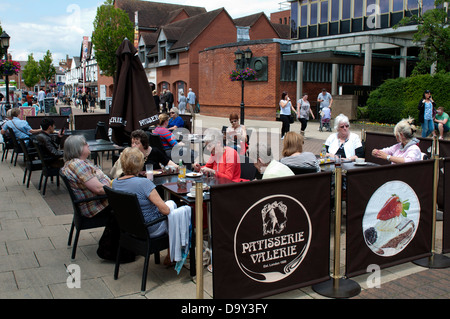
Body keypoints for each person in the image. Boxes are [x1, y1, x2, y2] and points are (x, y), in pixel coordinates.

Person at [111, 147, 170, 238]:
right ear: (140, 164)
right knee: (177, 214)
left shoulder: (115, 183)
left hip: (130, 228)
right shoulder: (144, 183)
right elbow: (165, 210)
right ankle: (177, 250)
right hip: (150, 228)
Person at [60, 135, 112, 218]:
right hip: (96, 207)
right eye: (85, 144)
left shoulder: (77, 163)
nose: (88, 145)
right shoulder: (78, 165)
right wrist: (117, 187)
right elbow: (99, 189)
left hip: (97, 202)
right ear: (77, 148)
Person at [110, 129, 177, 178]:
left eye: (137, 143)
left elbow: (167, 162)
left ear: (144, 144)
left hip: (156, 180)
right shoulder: (130, 154)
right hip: (138, 182)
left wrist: (179, 168)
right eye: (132, 143)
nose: (133, 146)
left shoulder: (154, 151)